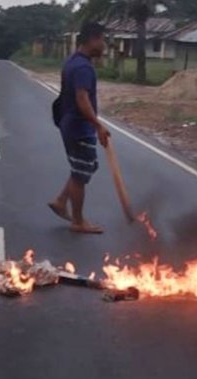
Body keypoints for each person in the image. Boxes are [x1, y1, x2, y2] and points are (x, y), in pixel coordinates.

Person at [48, 23, 110, 234]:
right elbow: (82, 100)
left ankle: (61, 200)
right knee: (81, 174)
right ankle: (78, 220)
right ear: (92, 39)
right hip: (79, 127)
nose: (104, 45)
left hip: (70, 123)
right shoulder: (83, 68)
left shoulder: (73, 61)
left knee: (85, 167)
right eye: (102, 39)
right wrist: (98, 125)